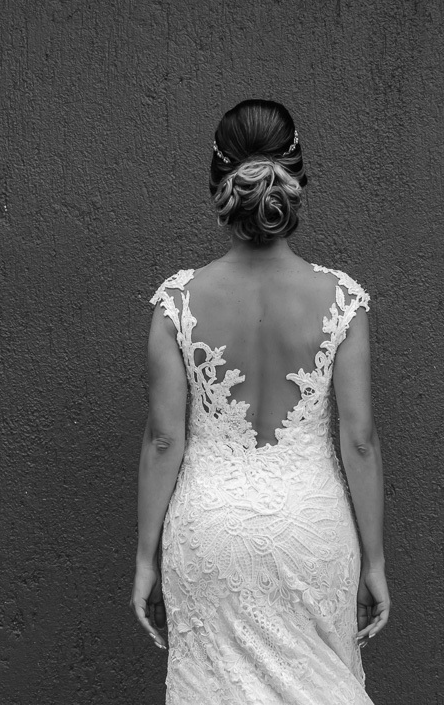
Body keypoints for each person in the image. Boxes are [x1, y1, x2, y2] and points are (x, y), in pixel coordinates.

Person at [130, 99, 390, 704]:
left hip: (210, 530)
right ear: (296, 185)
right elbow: (360, 439)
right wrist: (373, 560)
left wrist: (147, 557)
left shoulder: (179, 301)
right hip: (312, 529)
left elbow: (165, 438)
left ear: (220, 186)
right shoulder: (341, 301)